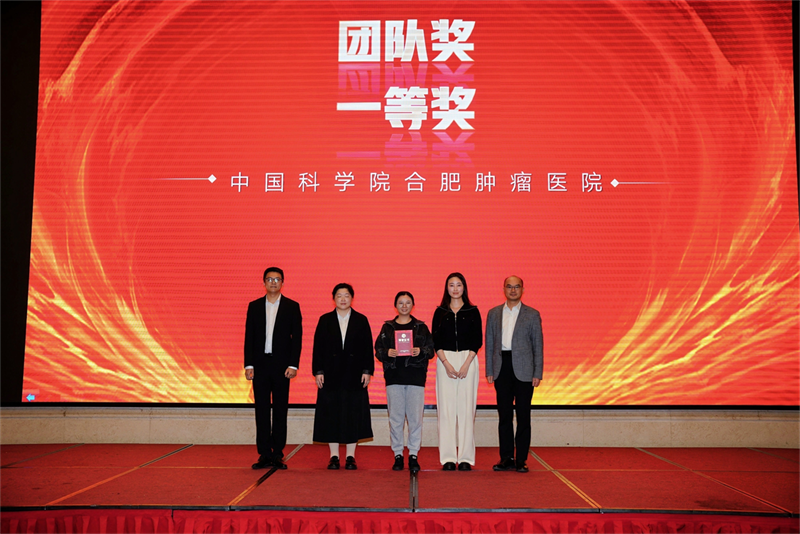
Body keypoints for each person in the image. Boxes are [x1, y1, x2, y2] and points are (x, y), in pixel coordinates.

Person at [244, 267, 303, 470]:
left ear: (282, 283)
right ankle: (264, 454)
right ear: (264, 283)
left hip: (282, 367)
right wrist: (249, 364)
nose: (273, 282)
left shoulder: (292, 306)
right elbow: (249, 337)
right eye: (269, 279)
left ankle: (277, 453)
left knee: (280, 409)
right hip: (260, 366)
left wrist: (293, 364)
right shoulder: (254, 306)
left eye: (277, 279)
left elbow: (297, 338)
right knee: (261, 410)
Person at [312, 283, 374, 470]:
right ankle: (334, 456)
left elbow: (367, 348)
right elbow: (318, 348)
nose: (343, 299)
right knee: (331, 414)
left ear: (352, 298)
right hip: (330, 374)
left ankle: (350, 456)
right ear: (334, 298)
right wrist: (318, 371)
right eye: (339, 295)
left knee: (353, 414)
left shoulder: (361, 320)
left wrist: (367, 371)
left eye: (346, 295)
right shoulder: (325, 320)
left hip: (354, 374)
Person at [485, 276, 543, 473]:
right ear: (503, 289)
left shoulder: (532, 314)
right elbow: (489, 344)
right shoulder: (494, 313)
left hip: (525, 369)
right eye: (509, 287)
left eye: (516, 287)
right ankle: (506, 457)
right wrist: (489, 370)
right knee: (504, 416)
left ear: (522, 290)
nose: (512, 290)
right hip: (501, 367)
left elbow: (538, 345)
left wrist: (537, 372)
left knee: (523, 416)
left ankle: (521, 459)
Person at [375, 291, 435, 473]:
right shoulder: (387, 327)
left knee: (415, 419)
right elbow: (378, 350)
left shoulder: (421, 327)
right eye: (401, 302)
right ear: (395, 305)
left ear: (413, 305)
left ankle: (414, 454)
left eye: (408, 302)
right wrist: (387, 353)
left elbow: (431, 350)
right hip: (394, 377)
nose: (404, 306)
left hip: (416, 378)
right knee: (396, 418)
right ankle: (398, 454)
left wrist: (420, 351)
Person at [431, 272, 482, 471]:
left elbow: (477, 340)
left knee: (467, 410)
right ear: (446, 288)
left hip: (468, 359)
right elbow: (436, 341)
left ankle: (466, 458)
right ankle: (448, 457)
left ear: (464, 287)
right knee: (446, 411)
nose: (455, 289)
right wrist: (446, 363)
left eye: (458, 285)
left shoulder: (473, 311)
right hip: (445, 360)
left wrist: (467, 363)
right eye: (451, 285)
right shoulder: (440, 312)